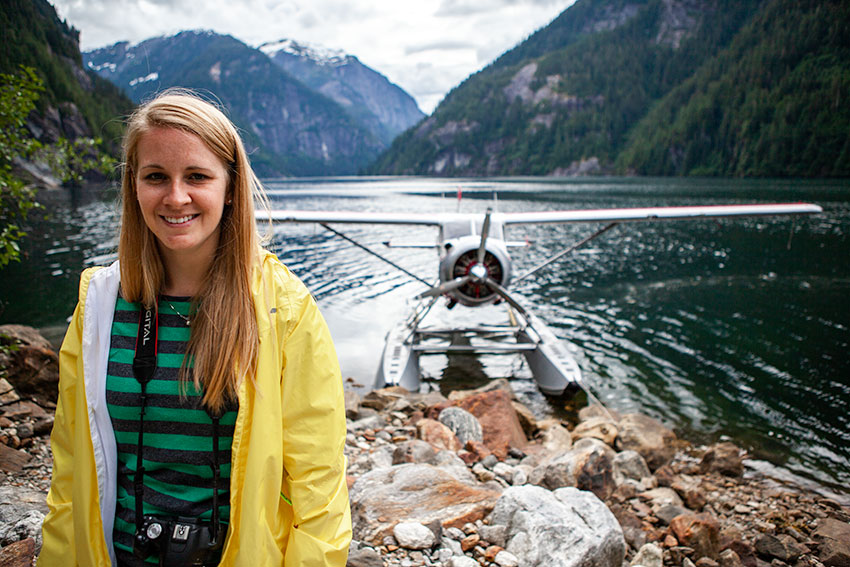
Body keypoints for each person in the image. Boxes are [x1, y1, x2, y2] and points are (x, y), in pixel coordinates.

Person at [38, 89, 352, 566]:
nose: (176, 197)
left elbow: (319, 483)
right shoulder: (99, 304)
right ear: (134, 187)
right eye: (156, 177)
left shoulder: (282, 308)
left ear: (230, 187)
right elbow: (69, 472)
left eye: (198, 176)